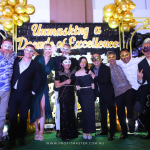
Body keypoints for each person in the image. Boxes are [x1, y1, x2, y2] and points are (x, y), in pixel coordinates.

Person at [6, 44, 42, 149]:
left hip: (26, 95)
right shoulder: (16, 61)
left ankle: (21, 138)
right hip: (13, 93)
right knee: (12, 117)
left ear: (33, 53)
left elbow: (39, 80)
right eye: (27, 50)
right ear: (24, 50)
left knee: (23, 117)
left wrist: (33, 92)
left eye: (31, 51)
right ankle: (11, 140)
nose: (29, 52)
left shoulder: (36, 65)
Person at [116, 49, 147, 133]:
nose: (125, 57)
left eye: (126, 54)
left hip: (141, 86)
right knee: (129, 107)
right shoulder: (119, 62)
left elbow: (147, 56)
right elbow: (108, 63)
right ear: (120, 57)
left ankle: (146, 128)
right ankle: (131, 128)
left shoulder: (137, 60)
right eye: (122, 55)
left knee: (143, 108)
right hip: (130, 88)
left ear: (130, 54)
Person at [30, 44, 55, 141]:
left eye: (49, 49)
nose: (48, 51)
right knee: (35, 107)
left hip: (44, 84)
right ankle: (36, 130)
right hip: (35, 83)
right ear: (43, 50)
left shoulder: (53, 61)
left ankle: (41, 132)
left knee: (43, 108)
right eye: (46, 49)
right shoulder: (38, 57)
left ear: (51, 50)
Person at [89, 53, 116, 141]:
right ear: (91, 60)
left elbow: (105, 80)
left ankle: (112, 133)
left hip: (108, 93)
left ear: (101, 59)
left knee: (112, 113)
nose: (96, 60)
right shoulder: (92, 68)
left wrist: (94, 77)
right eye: (94, 59)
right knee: (103, 113)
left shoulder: (106, 68)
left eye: (97, 58)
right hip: (100, 94)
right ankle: (104, 130)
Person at [107, 51, 133, 139]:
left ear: (115, 57)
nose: (111, 59)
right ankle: (124, 132)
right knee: (121, 113)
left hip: (128, 88)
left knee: (130, 107)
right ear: (107, 59)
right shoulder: (107, 69)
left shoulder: (121, 64)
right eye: (109, 57)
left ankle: (131, 119)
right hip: (117, 93)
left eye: (113, 56)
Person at [54, 43, 77, 138]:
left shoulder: (74, 60)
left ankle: (72, 130)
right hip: (60, 90)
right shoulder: (56, 59)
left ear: (70, 51)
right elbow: (44, 60)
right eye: (63, 48)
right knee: (60, 110)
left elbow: (81, 68)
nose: (65, 50)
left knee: (73, 110)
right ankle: (59, 130)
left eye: (67, 49)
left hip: (71, 91)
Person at [0, 39, 17, 149]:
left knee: (1, 116)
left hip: (6, 90)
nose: (7, 48)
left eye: (10, 46)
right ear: (1, 46)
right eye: (5, 46)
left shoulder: (13, 55)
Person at [75, 56, 96, 140]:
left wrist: (94, 94)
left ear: (86, 63)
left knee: (91, 113)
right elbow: (77, 86)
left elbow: (93, 83)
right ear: (79, 63)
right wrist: (78, 95)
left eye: (84, 62)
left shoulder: (90, 71)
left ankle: (90, 132)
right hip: (82, 93)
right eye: (81, 62)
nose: (83, 63)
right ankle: (84, 131)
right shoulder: (76, 73)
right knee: (84, 113)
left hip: (90, 93)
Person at [137, 38, 150, 139]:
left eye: (149, 48)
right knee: (140, 110)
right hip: (147, 88)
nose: (147, 50)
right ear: (142, 51)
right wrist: (139, 79)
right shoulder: (141, 64)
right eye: (145, 49)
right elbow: (142, 81)